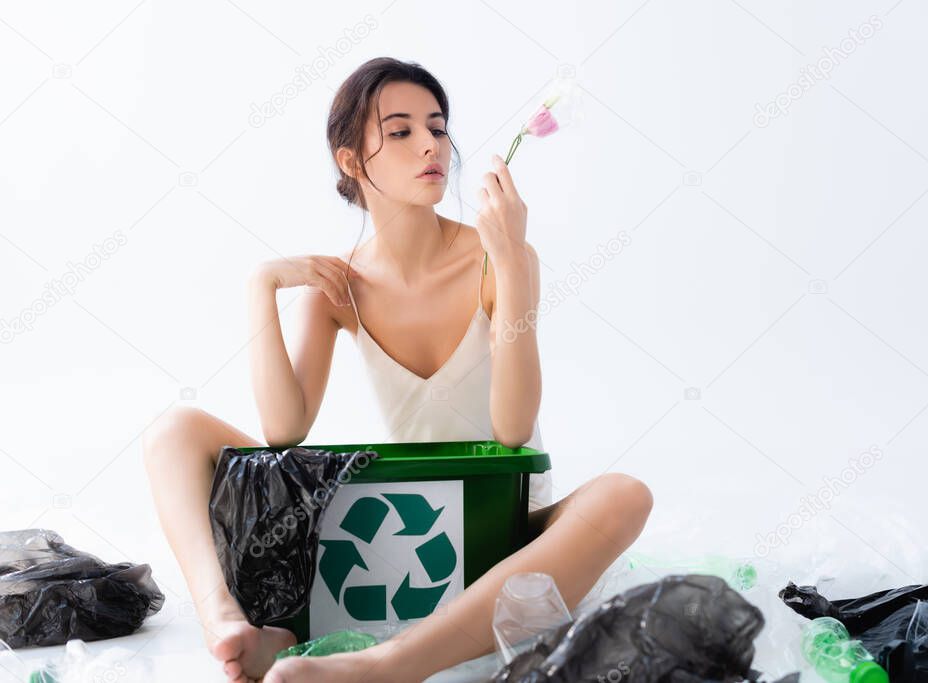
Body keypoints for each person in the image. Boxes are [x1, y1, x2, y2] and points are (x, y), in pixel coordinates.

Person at [142, 56, 653, 683]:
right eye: (403, 130)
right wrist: (261, 285)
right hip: (395, 523)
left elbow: (513, 429)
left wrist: (513, 265)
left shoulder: (499, 261)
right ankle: (226, 621)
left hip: (504, 524)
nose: (431, 146)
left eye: (438, 128)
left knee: (625, 495)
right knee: (173, 431)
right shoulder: (337, 286)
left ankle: (387, 664)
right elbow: (283, 431)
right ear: (352, 161)